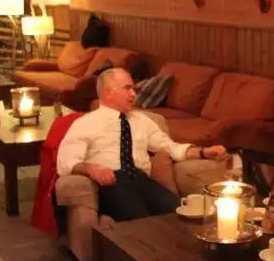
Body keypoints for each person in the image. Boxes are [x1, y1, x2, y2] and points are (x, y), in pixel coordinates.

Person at [56, 67, 228, 221]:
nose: (133, 94)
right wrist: (91, 169)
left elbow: (170, 148)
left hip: (142, 180)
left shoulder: (141, 120)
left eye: (134, 89)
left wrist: (203, 152)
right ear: (108, 93)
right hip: (112, 183)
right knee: (142, 222)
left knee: (180, 214)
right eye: (127, 88)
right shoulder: (85, 123)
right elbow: (66, 161)